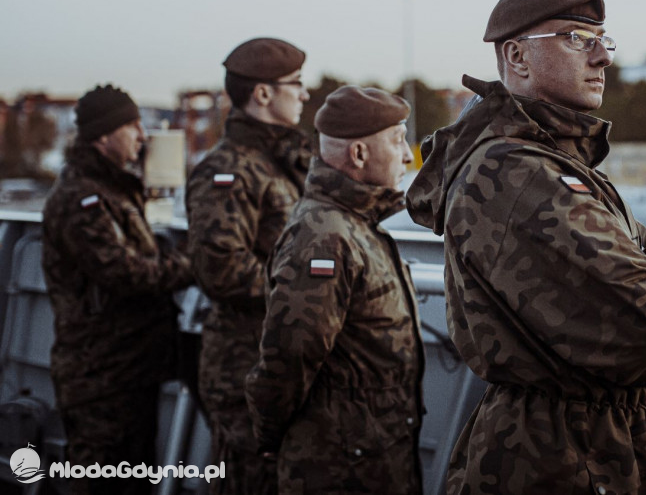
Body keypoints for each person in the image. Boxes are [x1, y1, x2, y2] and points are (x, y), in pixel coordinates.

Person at [406, 0, 646, 495]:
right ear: (517, 57)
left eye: (603, 40)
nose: (602, 57)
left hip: (603, 452)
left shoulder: (558, 164)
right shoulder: (514, 173)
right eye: (577, 39)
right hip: (565, 460)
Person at [246, 86, 425, 495]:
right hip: (340, 469)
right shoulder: (324, 236)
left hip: (375, 457)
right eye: (397, 140)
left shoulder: (355, 224)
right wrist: (271, 436)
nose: (406, 155)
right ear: (358, 154)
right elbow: (289, 357)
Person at [42, 84, 193, 495]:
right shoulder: (81, 198)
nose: (142, 136)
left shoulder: (111, 189)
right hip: (99, 379)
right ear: (103, 135)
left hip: (128, 371)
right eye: (132, 126)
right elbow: (126, 274)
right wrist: (192, 264)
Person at [186, 37, 312, 495]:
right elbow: (220, 269)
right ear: (262, 93)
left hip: (281, 360)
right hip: (245, 367)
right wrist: (308, 293)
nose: (304, 94)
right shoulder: (229, 169)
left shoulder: (279, 162)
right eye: (296, 84)